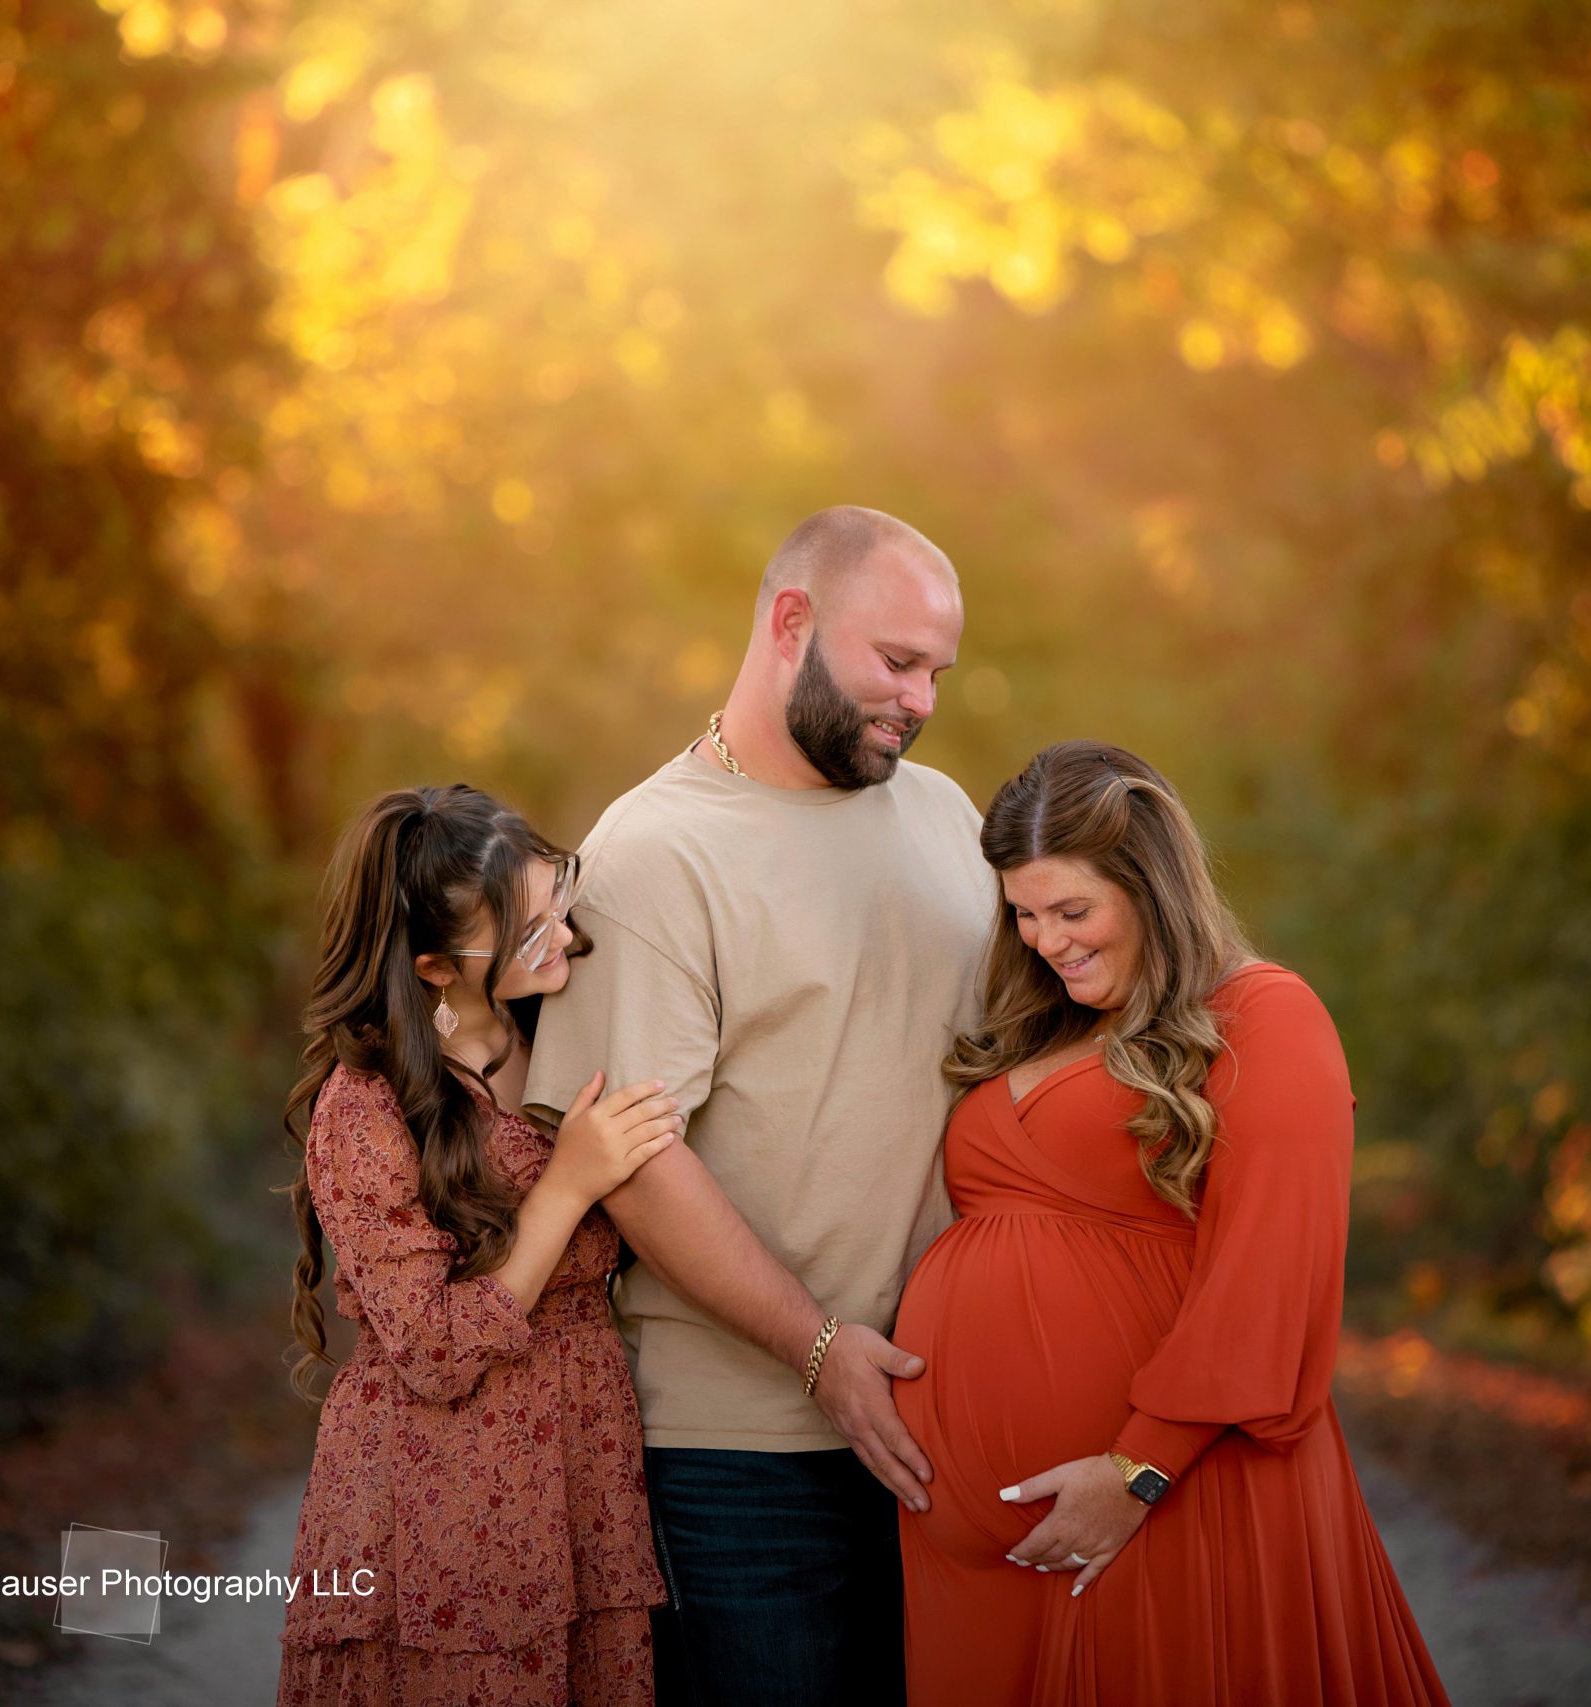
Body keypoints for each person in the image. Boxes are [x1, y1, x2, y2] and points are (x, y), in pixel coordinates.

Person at [522, 505, 997, 1707]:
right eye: (896, 662)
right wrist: (821, 1350)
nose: (922, 699)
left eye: (936, 671)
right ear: (791, 622)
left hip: (952, 1422)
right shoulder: (651, 855)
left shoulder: (948, 816)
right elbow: (633, 1164)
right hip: (742, 1458)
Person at [892, 740, 1452, 1705]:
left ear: (1152, 885)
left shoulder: (1265, 1015)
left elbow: (1269, 1276)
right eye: (1024, 914)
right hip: (978, 1558)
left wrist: (1138, 1470)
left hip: (1170, 1504)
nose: (1046, 940)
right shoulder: (1052, 1024)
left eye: (1074, 910)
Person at [278, 784, 685, 1707]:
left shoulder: (564, 1029)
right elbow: (434, 1347)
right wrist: (569, 1183)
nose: (563, 941)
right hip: (442, 1494)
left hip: (583, 1468)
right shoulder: (369, 1108)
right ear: (431, 966)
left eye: (557, 906)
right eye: (525, 931)